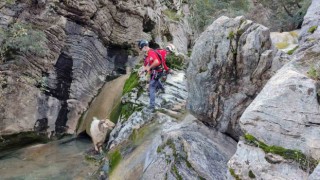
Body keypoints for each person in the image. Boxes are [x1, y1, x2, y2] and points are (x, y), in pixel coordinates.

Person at [138, 40, 175, 113]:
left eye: (141, 48)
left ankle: (152, 107)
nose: (141, 50)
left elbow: (157, 62)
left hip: (157, 72)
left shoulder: (151, 52)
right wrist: (143, 71)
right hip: (155, 72)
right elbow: (148, 64)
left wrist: (167, 69)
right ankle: (163, 89)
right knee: (156, 81)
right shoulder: (148, 53)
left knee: (152, 87)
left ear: (145, 47)